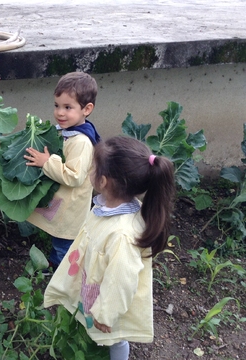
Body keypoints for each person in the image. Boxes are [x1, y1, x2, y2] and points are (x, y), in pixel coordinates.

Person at [43, 136, 176, 359]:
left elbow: (121, 279)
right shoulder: (109, 208)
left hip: (111, 300)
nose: (90, 170)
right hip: (98, 281)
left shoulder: (122, 234)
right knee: (106, 332)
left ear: (103, 181)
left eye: (93, 166)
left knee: (116, 336)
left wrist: (106, 313)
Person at [23, 72, 101, 271]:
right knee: (59, 237)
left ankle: (69, 275)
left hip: (71, 206)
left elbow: (74, 176)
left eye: (68, 107)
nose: (60, 112)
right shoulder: (68, 132)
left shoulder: (81, 142)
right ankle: (58, 264)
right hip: (63, 202)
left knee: (65, 242)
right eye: (57, 105)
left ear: (87, 109)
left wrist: (46, 162)